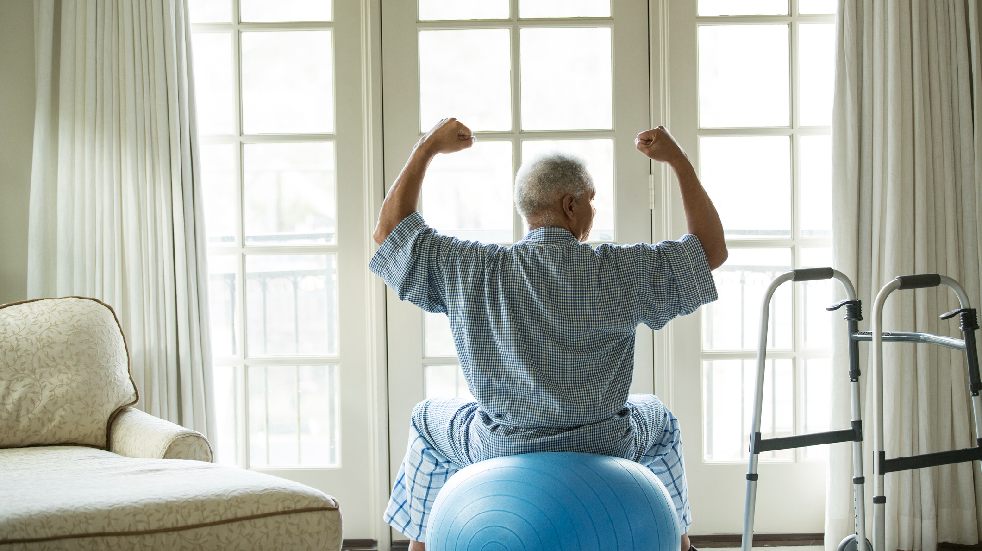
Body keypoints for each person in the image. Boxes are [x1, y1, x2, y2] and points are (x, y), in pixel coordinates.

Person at [370, 118, 727, 551]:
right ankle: (681, 543)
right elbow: (710, 249)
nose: (594, 212)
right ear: (571, 205)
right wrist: (677, 162)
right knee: (660, 417)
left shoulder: (473, 268)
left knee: (425, 418)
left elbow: (389, 232)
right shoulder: (618, 270)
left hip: (500, 446)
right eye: (592, 201)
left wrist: (427, 147)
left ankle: (421, 547)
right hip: (604, 443)